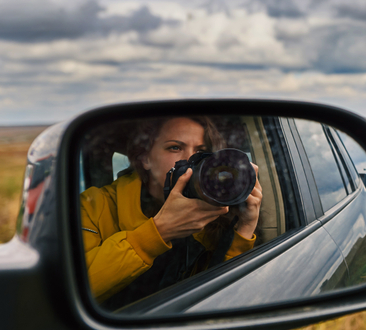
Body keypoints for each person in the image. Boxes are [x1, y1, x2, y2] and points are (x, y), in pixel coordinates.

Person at [81, 116, 262, 308]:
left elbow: (224, 299)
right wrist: (158, 232)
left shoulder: (216, 209)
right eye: (175, 147)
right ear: (145, 158)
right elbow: (74, 287)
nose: (189, 159)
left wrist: (245, 227)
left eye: (200, 151)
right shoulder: (93, 205)